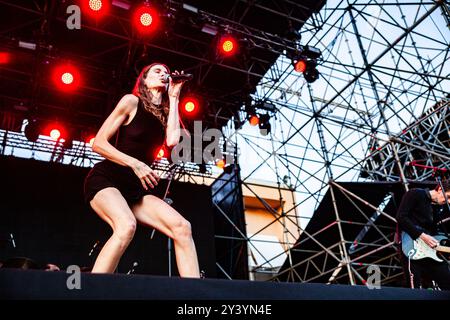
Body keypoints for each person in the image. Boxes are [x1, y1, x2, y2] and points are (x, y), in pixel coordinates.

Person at [84, 63, 200, 277]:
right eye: (157, 71)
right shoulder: (131, 101)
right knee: (126, 225)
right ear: (144, 80)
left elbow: (173, 140)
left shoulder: (165, 115)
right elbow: (98, 143)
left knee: (182, 228)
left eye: (166, 72)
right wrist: (136, 164)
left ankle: (195, 298)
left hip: (136, 190)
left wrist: (174, 97)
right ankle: (92, 291)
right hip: (107, 180)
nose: (164, 74)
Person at [396, 180, 450, 289]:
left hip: (431, 252)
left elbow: (436, 233)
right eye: (448, 196)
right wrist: (422, 236)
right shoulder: (416, 193)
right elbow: (401, 217)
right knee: (414, 288)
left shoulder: (437, 208)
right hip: (412, 247)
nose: (448, 201)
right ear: (440, 189)